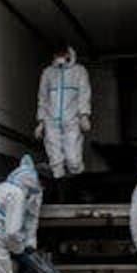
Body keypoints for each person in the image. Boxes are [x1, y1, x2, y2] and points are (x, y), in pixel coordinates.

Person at [35, 46, 91, 178]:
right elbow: (43, 98)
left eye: (63, 54)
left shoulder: (79, 71)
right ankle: (59, 183)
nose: (60, 57)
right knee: (55, 162)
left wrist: (84, 115)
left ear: (69, 54)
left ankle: (77, 179)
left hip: (72, 120)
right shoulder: (48, 73)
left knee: (73, 160)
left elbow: (84, 93)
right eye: (57, 54)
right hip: (51, 121)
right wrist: (41, 122)